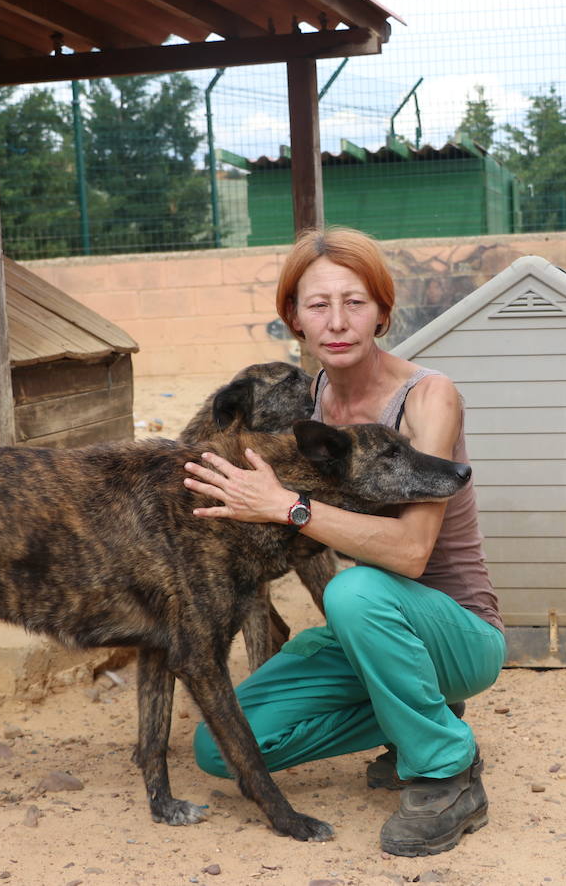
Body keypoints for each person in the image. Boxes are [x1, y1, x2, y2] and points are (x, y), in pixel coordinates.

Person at [182, 226, 505, 857]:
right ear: (293, 319)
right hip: (372, 635)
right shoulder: (310, 403)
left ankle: (445, 772)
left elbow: (412, 553)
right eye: (318, 305)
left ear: (383, 312)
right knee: (218, 747)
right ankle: (426, 715)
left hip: (460, 631)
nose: (338, 322)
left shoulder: (428, 397)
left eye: (355, 302)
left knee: (353, 589)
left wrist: (286, 508)